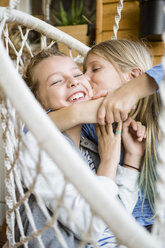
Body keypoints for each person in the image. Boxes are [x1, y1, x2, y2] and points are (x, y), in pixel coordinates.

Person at [17, 47, 145, 247]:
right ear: (38, 103)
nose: (74, 81)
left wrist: (133, 158)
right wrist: (109, 161)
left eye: (77, 74)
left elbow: (117, 216)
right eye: (56, 81)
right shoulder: (38, 148)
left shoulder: (90, 144)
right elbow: (90, 225)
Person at [47, 39, 161, 231]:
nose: (85, 78)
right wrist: (80, 112)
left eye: (95, 69)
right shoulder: (93, 124)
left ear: (132, 75)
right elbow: (30, 126)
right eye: (84, 70)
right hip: (124, 227)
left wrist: (135, 88)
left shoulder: (160, 113)